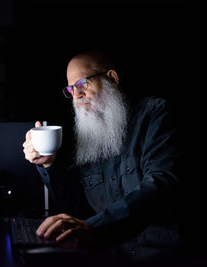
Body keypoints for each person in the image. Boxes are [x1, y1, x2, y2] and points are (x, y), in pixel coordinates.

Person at [22, 50, 182, 265]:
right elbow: (78, 208)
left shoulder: (155, 113)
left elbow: (160, 185)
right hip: (109, 255)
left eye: (82, 83)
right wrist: (49, 164)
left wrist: (93, 228)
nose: (76, 95)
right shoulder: (86, 138)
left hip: (161, 255)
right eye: (71, 89)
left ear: (112, 79)